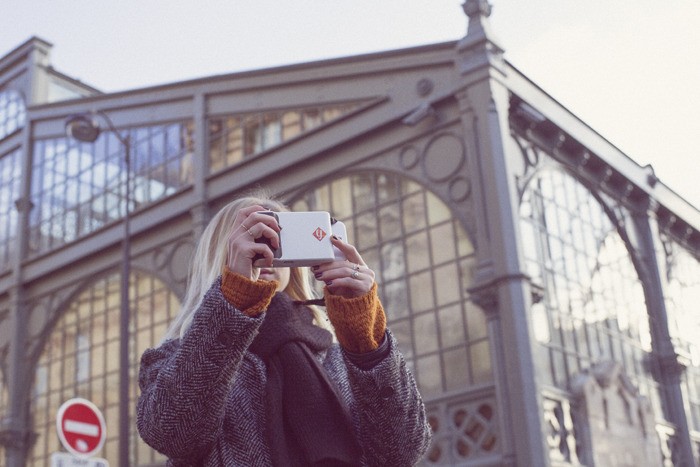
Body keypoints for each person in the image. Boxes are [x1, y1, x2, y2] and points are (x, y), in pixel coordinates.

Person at [136, 192, 432, 466]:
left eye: (276, 240)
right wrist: (235, 298)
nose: (265, 251)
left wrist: (366, 341)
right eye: (253, 239)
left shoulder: (339, 359)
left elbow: (402, 452)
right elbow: (171, 434)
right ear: (220, 254)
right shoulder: (172, 359)